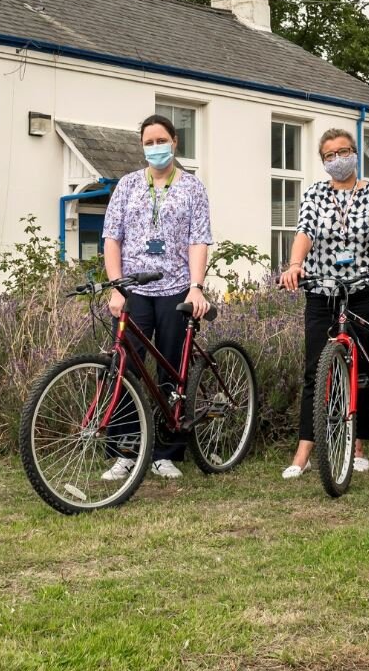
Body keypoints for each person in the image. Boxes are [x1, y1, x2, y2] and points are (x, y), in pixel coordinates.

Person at [278, 128, 369, 479]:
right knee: (315, 370)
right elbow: (304, 232)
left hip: (365, 288)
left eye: (344, 151)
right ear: (323, 161)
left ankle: (359, 443)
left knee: (363, 371)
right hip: (322, 290)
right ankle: (305, 448)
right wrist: (294, 265)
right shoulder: (316, 194)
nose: (338, 159)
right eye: (330, 155)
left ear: (355, 153)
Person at [98, 114, 213, 483]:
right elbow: (111, 239)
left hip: (175, 289)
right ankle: (124, 451)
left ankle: (167, 452)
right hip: (134, 290)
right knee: (125, 369)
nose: (155, 147)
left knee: (170, 370)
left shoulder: (193, 188)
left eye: (161, 140)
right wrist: (116, 286)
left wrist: (196, 286)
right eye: (148, 142)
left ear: (175, 142)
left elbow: (198, 240)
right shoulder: (128, 185)